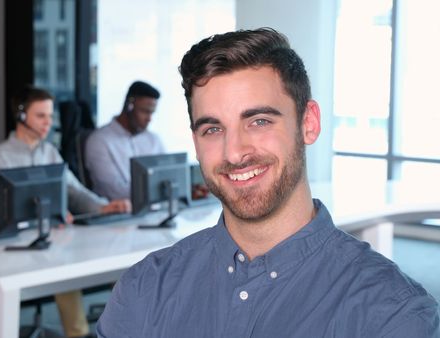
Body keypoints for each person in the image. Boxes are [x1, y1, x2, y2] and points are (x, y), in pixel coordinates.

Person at [97, 28, 439, 338]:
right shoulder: (145, 289)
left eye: (259, 121)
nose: (235, 153)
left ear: (308, 123)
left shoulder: (392, 316)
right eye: (213, 129)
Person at [0, 85, 129, 338]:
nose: (48, 123)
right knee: (65, 265)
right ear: (21, 115)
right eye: (41, 116)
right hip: (17, 246)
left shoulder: (49, 152)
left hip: (53, 239)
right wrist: (47, 218)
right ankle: (79, 333)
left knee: (116, 260)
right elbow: (0, 211)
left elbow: (74, 190)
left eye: (50, 116)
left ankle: (126, 328)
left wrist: (103, 206)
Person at [84, 81, 166, 200]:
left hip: (154, 210)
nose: (149, 119)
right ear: (129, 106)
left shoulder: (153, 140)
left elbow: (167, 175)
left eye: (152, 113)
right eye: (145, 111)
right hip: (119, 214)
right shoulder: (99, 141)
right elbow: (113, 190)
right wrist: (161, 191)